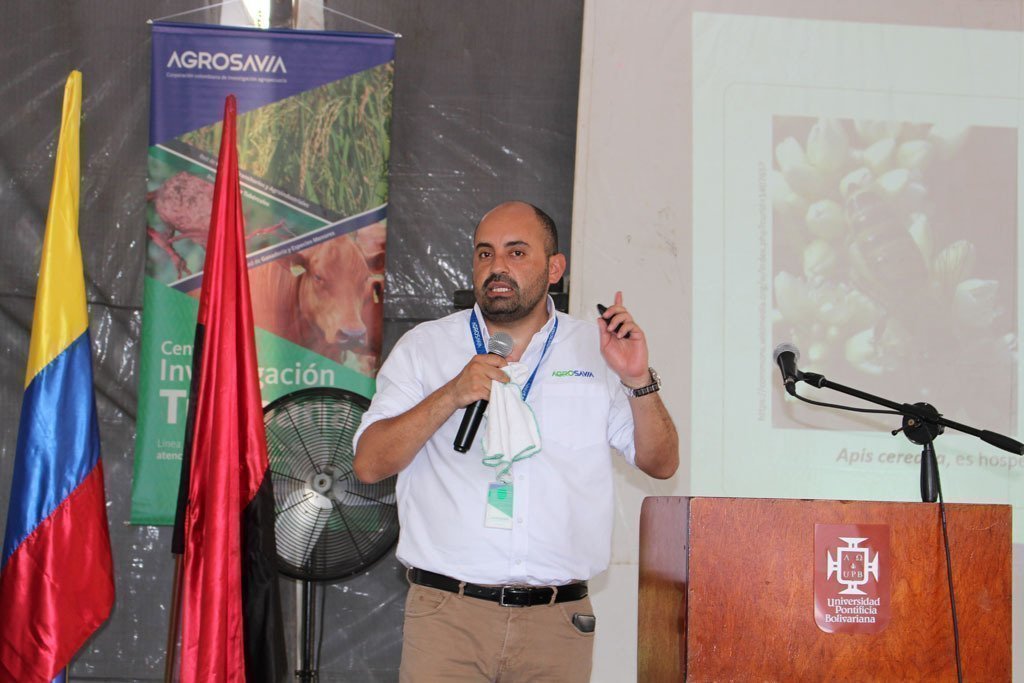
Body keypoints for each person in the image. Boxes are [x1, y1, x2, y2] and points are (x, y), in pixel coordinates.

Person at [353, 200, 678, 682]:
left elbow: (661, 463)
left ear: (555, 267)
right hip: (448, 617)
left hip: (557, 623)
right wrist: (452, 393)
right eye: (484, 254)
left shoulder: (596, 348)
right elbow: (369, 463)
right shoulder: (426, 348)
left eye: (516, 252)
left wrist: (637, 380)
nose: (497, 267)